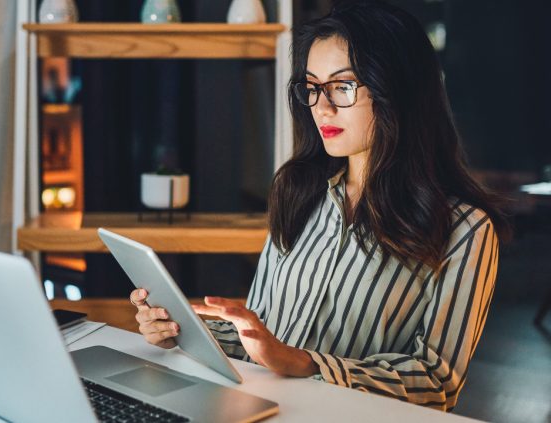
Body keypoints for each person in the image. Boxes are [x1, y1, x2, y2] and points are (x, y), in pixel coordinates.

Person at [129, 0, 509, 412]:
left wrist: (305, 363)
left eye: (342, 86)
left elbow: (438, 381)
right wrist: (183, 330)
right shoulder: (298, 190)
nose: (321, 107)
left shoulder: (465, 229)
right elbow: (263, 338)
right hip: (259, 409)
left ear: (396, 90)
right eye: (312, 87)